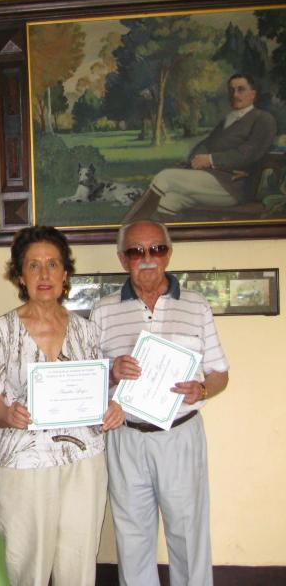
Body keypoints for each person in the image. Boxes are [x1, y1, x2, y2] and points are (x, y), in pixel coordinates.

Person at [0, 226, 125, 586]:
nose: (44, 275)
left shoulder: (87, 330)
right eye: (33, 266)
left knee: (78, 561)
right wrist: (7, 415)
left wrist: (112, 407)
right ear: (20, 276)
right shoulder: (4, 330)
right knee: (28, 563)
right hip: (26, 465)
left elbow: (96, 387)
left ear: (65, 273)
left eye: (53, 264)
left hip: (84, 462)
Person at [91, 220, 230, 586]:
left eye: (157, 249)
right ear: (123, 259)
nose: (148, 258)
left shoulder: (197, 306)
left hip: (180, 434)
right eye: (137, 251)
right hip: (127, 436)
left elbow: (219, 373)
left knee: (189, 536)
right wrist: (110, 373)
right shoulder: (103, 311)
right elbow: (90, 379)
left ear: (169, 253)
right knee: (132, 537)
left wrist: (203, 390)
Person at [124, 73, 277, 222]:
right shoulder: (228, 119)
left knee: (165, 177)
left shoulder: (263, 119)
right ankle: (160, 237)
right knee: (169, 200)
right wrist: (193, 160)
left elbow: (247, 154)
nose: (235, 94)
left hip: (235, 187)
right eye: (231, 90)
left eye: (241, 89)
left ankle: (125, 226)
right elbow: (206, 144)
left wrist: (210, 160)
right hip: (212, 181)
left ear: (253, 94)